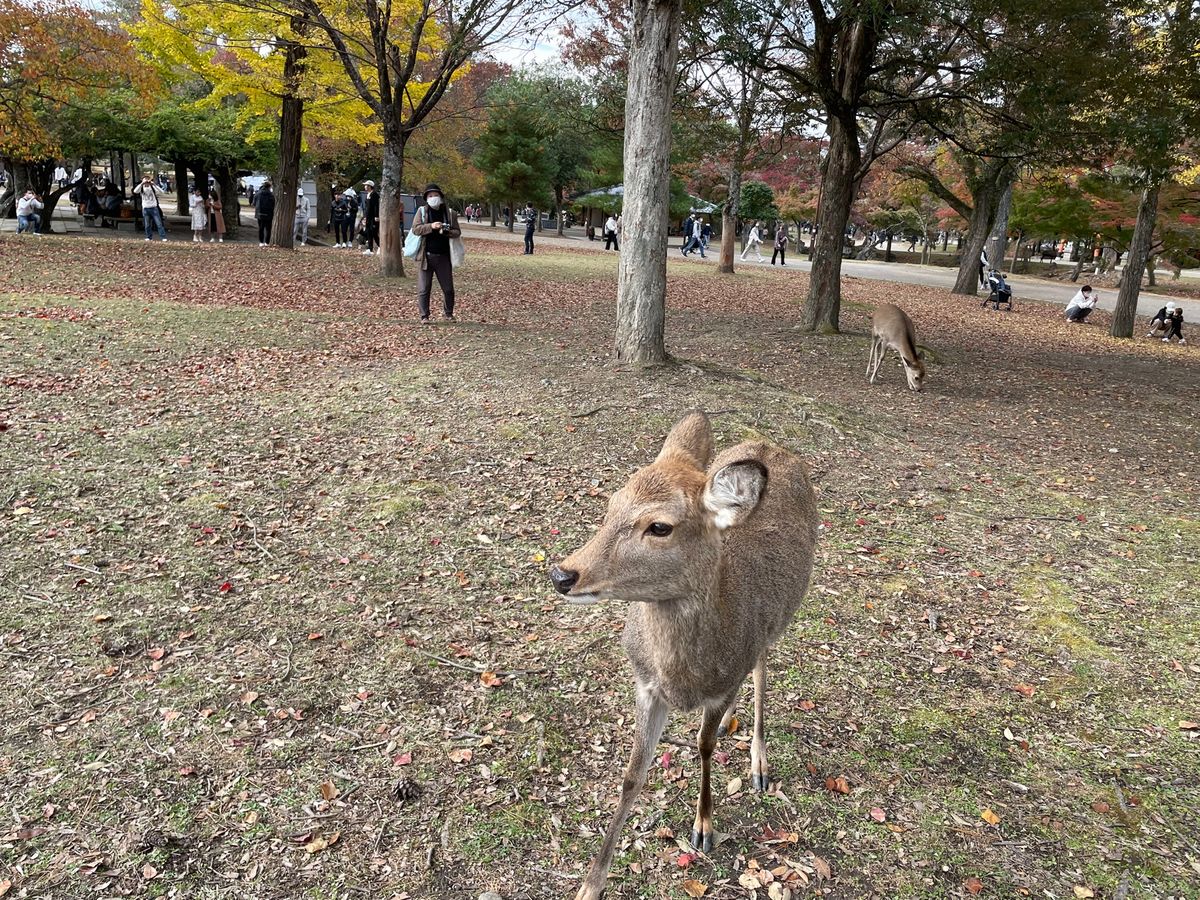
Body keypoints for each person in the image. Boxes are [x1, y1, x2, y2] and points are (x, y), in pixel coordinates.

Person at [410, 183, 462, 324]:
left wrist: (447, 231)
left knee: (448, 288)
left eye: (436, 195)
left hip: (444, 256)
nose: (433, 198)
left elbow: (457, 231)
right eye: (430, 196)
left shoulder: (450, 213)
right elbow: (416, 229)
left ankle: (449, 313)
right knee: (424, 288)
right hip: (425, 256)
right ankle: (424, 316)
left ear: (441, 197)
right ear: (426, 198)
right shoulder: (421, 211)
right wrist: (431, 226)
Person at [132, 174, 168, 242]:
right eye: (145, 179)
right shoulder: (141, 188)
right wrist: (142, 184)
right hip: (145, 208)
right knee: (147, 224)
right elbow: (135, 191)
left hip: (154, 208)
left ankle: (163, 237)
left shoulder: (152, 187)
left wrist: (154, 185)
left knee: (159, 223)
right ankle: (149, 237)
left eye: (147, 179)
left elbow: (162, 192)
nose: (146, 182)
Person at [361, 180, 380, 255]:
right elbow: (366, 208)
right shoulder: (367, 194)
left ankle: (380, 246)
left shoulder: (374, 194)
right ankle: (370, 249)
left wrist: (376, 216)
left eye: (366, 185)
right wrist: (365, 217)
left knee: (374, 232)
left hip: (373, 217)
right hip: (368, 217)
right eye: (365, 185)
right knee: (368, 233)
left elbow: (376, 206)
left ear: (370, 186)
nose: (365, 186)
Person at [254, 180, 275, 246]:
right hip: (268, 214)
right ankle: (267, 242)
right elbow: (273, 204)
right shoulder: (271, 195)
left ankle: (261, 242)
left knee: (261, 228)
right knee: (268, 229)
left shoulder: (258, 194)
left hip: (259, 213)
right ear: (269, 187)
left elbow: (254, 203)